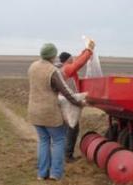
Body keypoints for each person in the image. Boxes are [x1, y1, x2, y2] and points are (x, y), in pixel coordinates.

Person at [27, 43, 85, 181]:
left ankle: (42, 174)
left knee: (43, 141)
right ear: (53, 55)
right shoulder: (52, 71)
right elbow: (66, 91)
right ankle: (55, 174)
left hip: (34, 111)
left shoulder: (32, 66)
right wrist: (79, 102)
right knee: (58, 140)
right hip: (49, 112)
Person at [58, 39, 95, 162]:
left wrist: (86, 49)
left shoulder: (63, 68)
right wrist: (89, 51)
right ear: (67, 60)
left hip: (64, 101)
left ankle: (63, 154)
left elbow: (78, 59)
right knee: (73, 128)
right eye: (71, 58)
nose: (73, 58)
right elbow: (79, 63)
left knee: (66, 129)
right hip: (69, 102)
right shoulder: (67, 69)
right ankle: (68, 156)